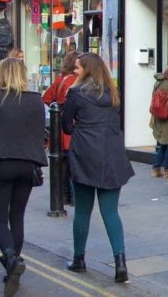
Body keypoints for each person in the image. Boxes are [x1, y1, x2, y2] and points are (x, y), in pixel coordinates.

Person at [0, 58, 47, 296]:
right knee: (17, 217)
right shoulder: (35, 100)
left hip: (0, 165)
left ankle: (11, 259)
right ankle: (12, 266)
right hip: (26, 165)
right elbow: (40, 133)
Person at [61, 52, 134, 284]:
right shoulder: (113, 94)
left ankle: (79, 259)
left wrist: (80, 131)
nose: (75, 71)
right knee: (111, 211)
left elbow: (65, 125)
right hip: (112, 154)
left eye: (78, 68)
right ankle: (120, 263)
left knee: (82, 210)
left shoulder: (75, 93)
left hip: (85, 155)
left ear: (88, 70)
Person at [43, 51, 79, 154]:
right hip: (72, 126)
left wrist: (56, 107)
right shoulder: (76, 80)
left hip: (59, 125)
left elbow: (46, 97)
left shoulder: (60, 79)